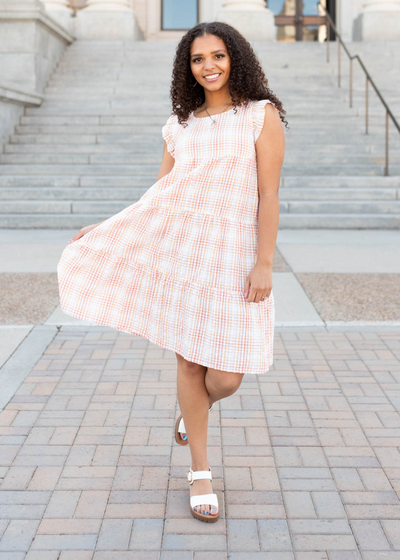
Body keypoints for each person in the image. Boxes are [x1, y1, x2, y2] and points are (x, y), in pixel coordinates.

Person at [57, 21, 286, 524]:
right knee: (189, 364)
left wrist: (264, 261)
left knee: (225, 378)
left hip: (236, 259)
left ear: (236, 59)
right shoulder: (178, 126)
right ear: (188, 67)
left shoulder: (259, 116)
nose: (209, 66)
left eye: (219, 56)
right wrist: (107, 226)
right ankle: (200, 471)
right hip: (187, 259)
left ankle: (192, 410)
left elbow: (269, 194)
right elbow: (158, 197)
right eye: (199, 58)